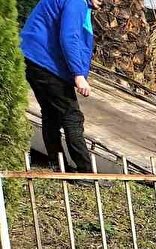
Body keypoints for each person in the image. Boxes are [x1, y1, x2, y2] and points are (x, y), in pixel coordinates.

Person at [20, 0, 99, 173]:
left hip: (32, 58)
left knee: (51, 114)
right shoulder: (76, 2)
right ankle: (86, 172)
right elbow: (69, 37)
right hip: (45, 63)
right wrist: (78, 74)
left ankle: (56, 164)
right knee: (72, 116)